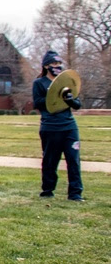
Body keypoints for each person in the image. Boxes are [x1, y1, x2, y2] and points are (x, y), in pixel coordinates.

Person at [32, 50, 83, 201]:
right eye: (54, 63)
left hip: (69, 126)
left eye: (59, 63)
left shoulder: (67, 83)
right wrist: (53, 95)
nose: (57, 66)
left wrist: (69, 99)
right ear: (46, 65)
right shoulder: (39, 83)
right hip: (50, 127)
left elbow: (77, 105)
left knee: (73, 160)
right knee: (50, 161)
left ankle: (75, 194)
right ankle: (47, 190)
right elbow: (38, 103)